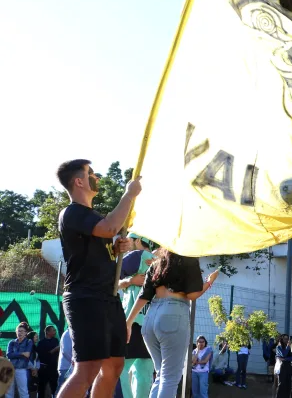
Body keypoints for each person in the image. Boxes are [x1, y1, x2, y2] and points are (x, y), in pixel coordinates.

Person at [55, 159, 138, 398]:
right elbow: (110, 228)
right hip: (85, 298)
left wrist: (115, 248)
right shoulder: (72, 212)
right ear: (79, 181)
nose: (97, 177)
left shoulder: (92, 217)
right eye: (91, 173)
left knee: (114, 367)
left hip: (108, 298)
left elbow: (103, 240)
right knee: (87, 369)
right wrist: (129, 194)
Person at [124, 248, 220, 398]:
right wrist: (209, 282)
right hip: (173, 315)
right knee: (170, 377)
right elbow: (192, 294)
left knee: (162, 374)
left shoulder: (157, 263)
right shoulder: (189, 260)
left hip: (150, 318)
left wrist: (128, 322)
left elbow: (144, 295)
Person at [117, 234, 156, 398]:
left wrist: (128, 281)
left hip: (132, 323)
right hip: (152, 324)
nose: (126, 244)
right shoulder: (157, 261)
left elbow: (111, 278)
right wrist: (130, 280)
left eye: (129, 240)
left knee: (119, 368)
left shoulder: (136, 256)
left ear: (138, 241)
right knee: (144, 372)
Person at [6, 322, 34, 398]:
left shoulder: (29, 342)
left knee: (23, 391)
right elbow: (9, 355)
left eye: (22, 331)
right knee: (9, 391)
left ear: (26, 333)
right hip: (10, 368)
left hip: (21, 369)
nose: (20, 333)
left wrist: (15, 354)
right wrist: (22, 353)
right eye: (18, 331)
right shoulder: (12, 342)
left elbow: (27, 354)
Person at [35, 325, 60, 398]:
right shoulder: (41, 343)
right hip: (44, 368)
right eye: (53, 330)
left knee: (55, 387)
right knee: (41, 388)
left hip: (54, 368)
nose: (55, 332)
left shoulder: (55, 340)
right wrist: (54, 350)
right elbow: (42, 356)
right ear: (48, 332)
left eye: (55, 330)